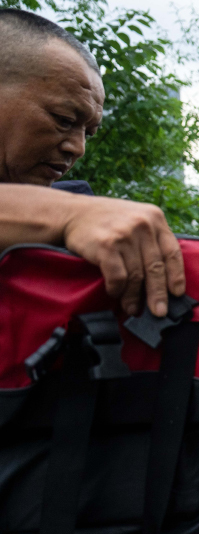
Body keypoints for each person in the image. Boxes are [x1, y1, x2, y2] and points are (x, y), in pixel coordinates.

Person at [0, 9, 183, 319]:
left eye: (88, 132)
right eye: (64, 120)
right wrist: (67, 214)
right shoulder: (71, 215)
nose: (79, 148)